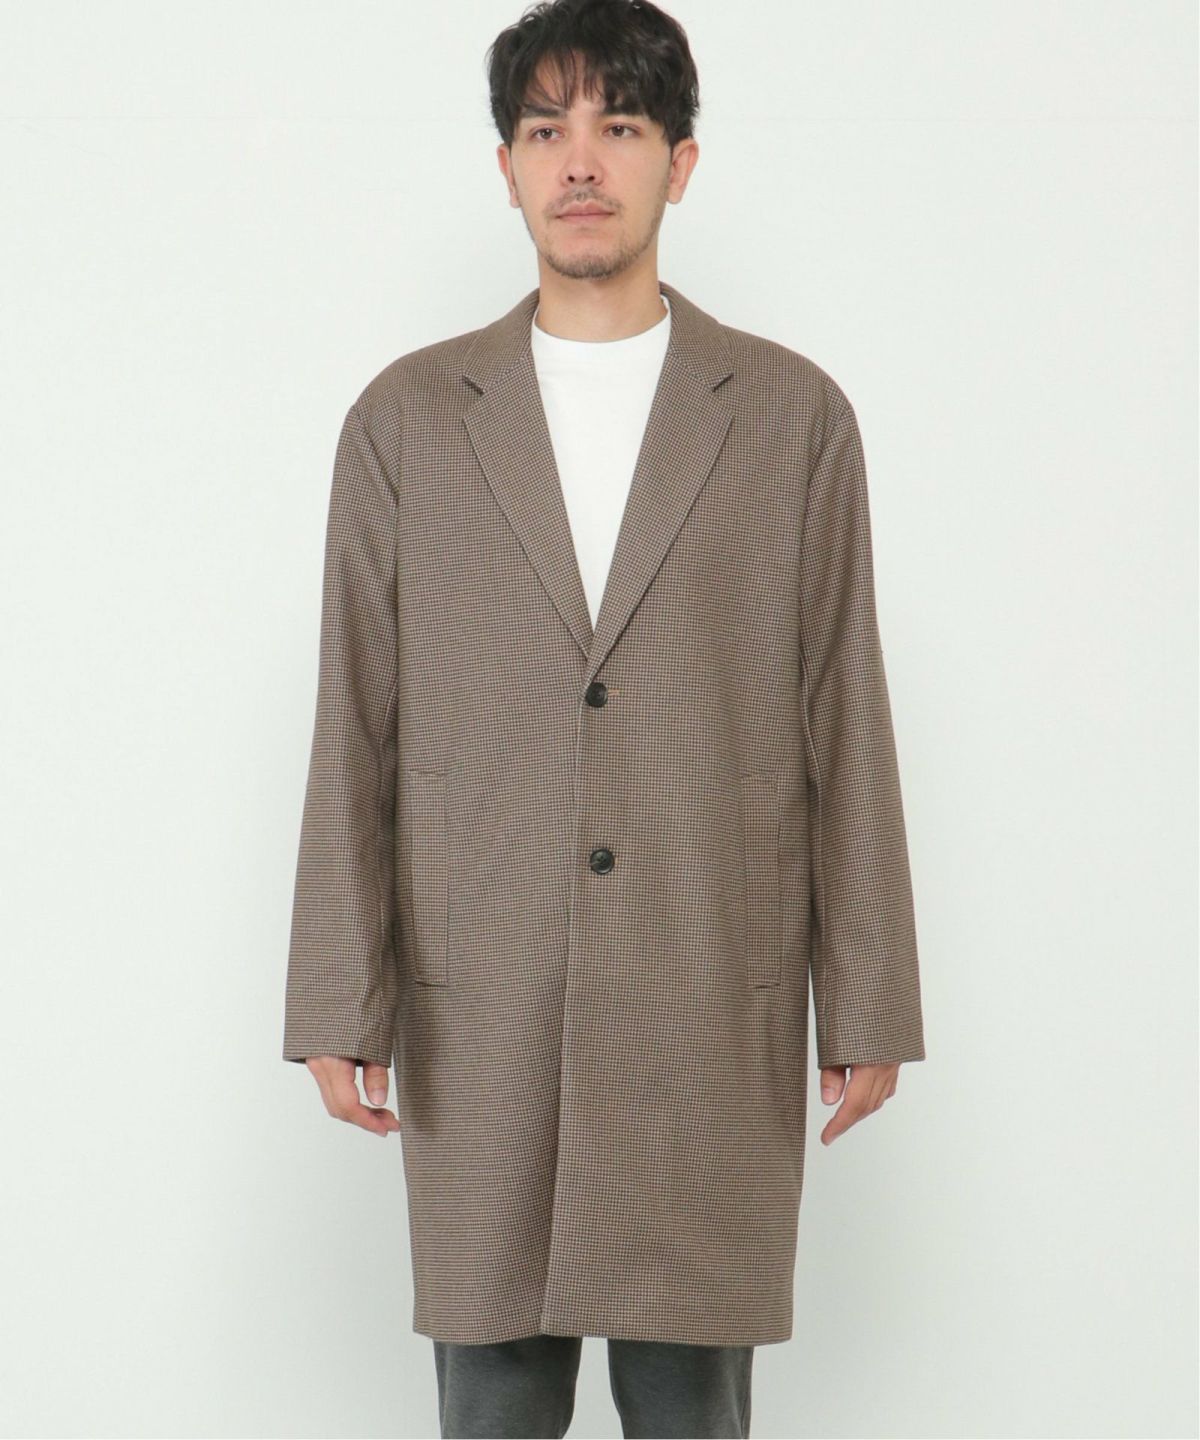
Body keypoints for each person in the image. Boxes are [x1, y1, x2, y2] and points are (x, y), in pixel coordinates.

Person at [282, 1, 927, 1435]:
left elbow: (843, 703)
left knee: (694, 1406)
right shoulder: (406, 420)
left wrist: (868, 991)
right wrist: (338, 989)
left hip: (701, 993)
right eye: (546, 129)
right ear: (506, 167)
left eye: (619, 126)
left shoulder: (792, 417)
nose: (580, 160)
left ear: (680, 164)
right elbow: (356, 713)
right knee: (492, 1402)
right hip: (484, 998)